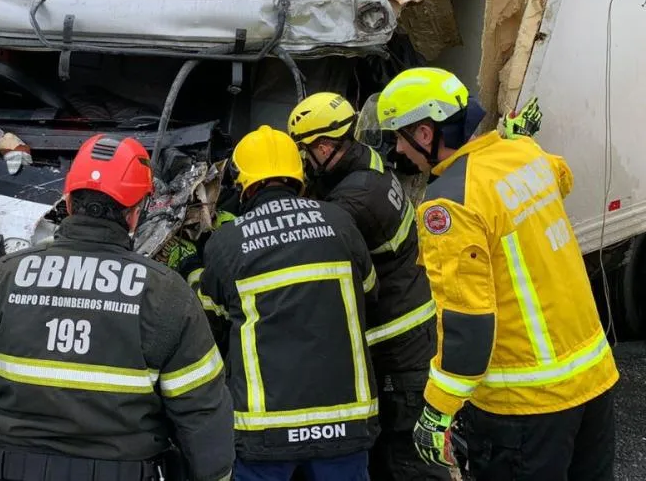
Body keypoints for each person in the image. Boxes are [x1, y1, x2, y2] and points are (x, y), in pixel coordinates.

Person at [0, 133, 235, 481]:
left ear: (68, 201)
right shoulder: (166, 294)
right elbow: (203, 412)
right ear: (134, 214)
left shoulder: (1, 279)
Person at [375, 66, 619, 480]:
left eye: (399, 135)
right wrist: (510, 140)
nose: (398, 149)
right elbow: (562, 177)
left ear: (426, 133)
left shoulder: (448, 205)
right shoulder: (525, 155)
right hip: (593, 382)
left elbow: (467, 325)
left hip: (525, 409)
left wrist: (437, 410)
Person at [194, 125, 379, 481]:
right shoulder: (339, 222)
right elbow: (369, 292)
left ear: (242, 183)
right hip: (346, 425)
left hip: (265, 432)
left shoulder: (227, 243)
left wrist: (190, 269)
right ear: (299, 174)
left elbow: (211, 325)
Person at [287, 92, 446, 481]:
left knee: (406, 463)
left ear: (325, 146)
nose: (304, 161)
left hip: (398, 346)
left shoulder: (354, 201)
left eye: (305, 151)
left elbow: (310, 244)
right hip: (410, 330)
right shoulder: (365, 163)